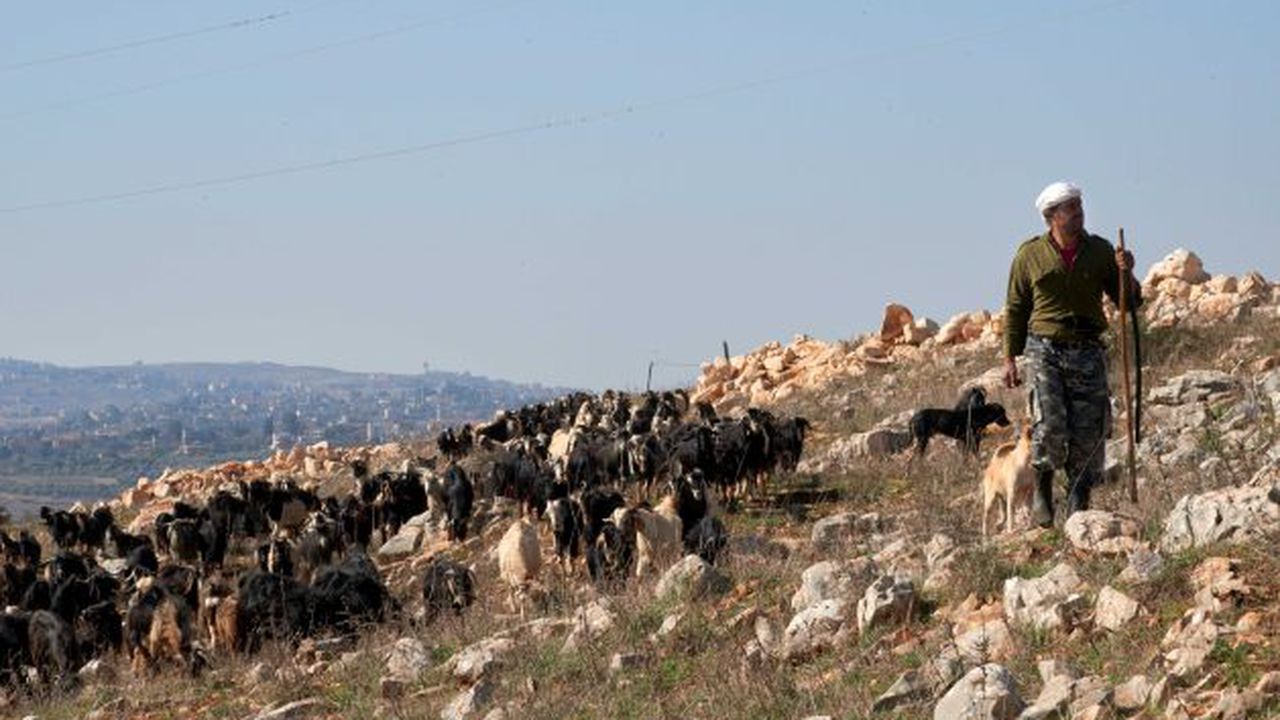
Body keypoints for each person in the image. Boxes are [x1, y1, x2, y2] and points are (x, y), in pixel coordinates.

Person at [1002, 181, 1141, 526]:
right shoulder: (1029, 256)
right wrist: (1009, 357)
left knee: (1089, 433)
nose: (1079, 214)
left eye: (1080, 207)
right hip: (1044, 349)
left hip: (1088, 349)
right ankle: (1043, 493)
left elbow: (1129, 302)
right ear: (1052, 217)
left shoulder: (1100, 251)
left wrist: (1127, 272)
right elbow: (1016, 308)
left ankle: (1078, 504)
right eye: (1070, 209)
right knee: (1049, 426)